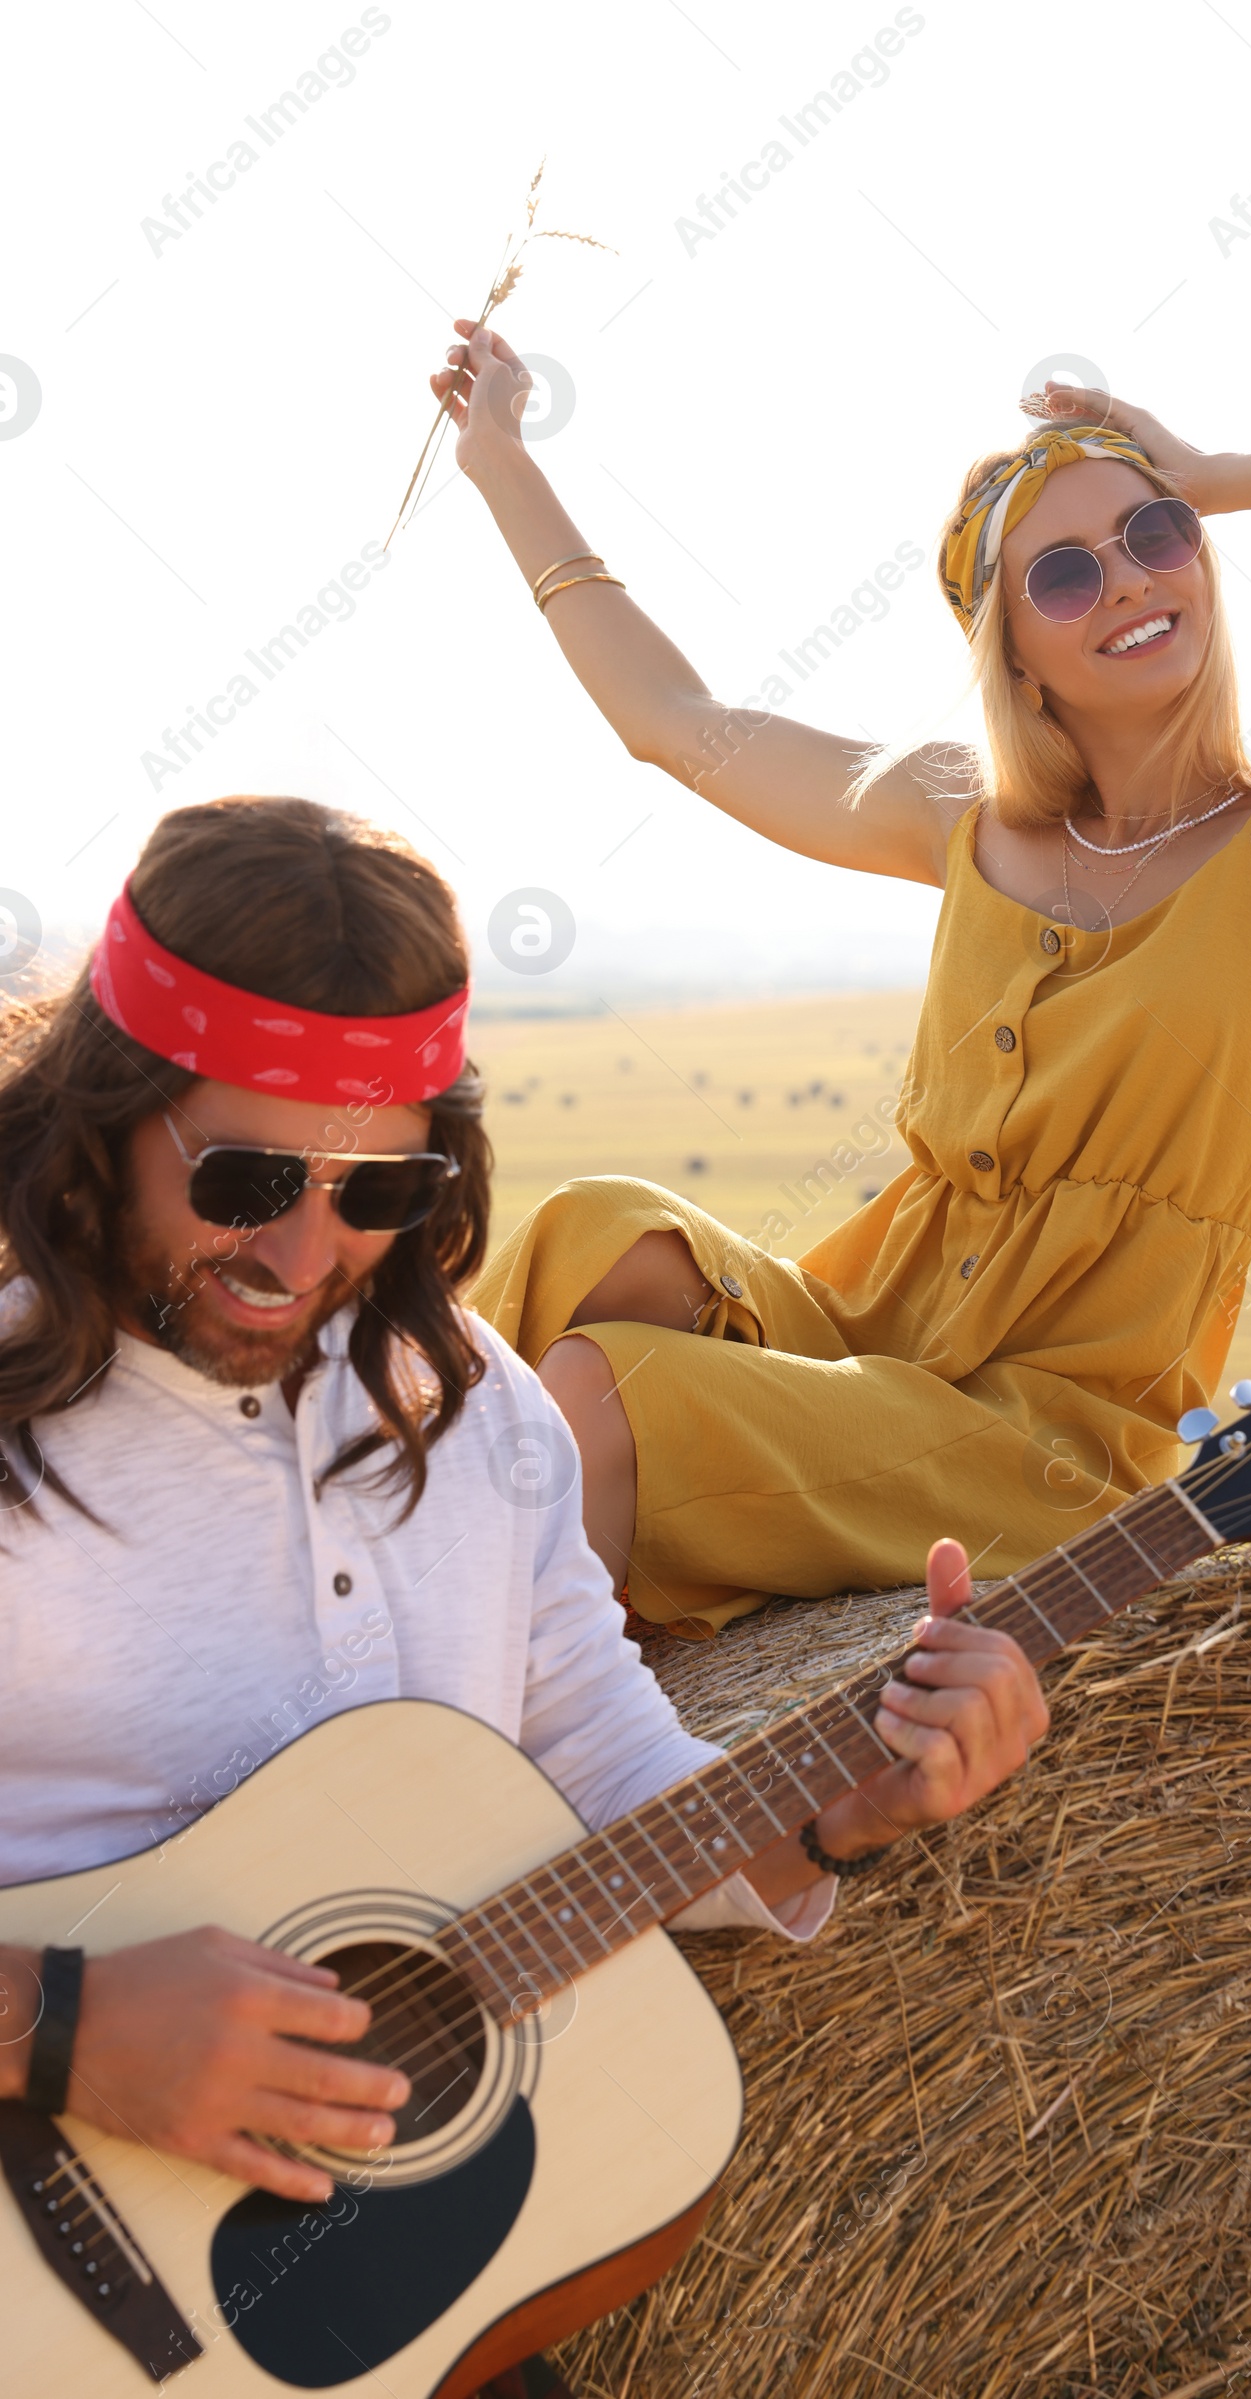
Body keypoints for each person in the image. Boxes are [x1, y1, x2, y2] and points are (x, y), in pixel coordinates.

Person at [0, 796, 1046, 2399]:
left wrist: (849, 1806)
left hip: (360, 2305)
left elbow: (614, 1784)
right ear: (107, 1105)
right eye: (248, 1176)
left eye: (378, 1195)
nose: (301, 1251)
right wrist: (64, 2028)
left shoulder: (479, 1414)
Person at [435, 323, 1251, 1637]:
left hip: (1042, 1443)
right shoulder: (959, 818)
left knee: (609, 1390)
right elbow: (671, 722)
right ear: (1012, 651)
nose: (1135, 584)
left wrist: (1213, 471)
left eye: (1157, 537)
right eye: (1070, 574)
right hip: (858, 1338)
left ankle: (491, 1763)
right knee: (595, 1225)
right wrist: (501, 459)